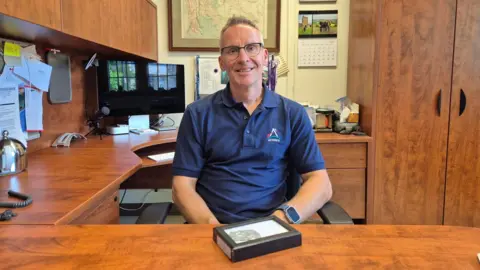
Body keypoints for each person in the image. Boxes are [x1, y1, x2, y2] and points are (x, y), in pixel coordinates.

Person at [171, 16, 332, 224]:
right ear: (221, 62)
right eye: (232, 50)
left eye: (251, 48)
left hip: (274, 226)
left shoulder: (292, 114)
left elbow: (321, 183)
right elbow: (181, 187)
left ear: (265, 56)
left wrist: (281, 219)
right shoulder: (197, 114)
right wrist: (213, 228)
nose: (243, 58)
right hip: (212, 226)